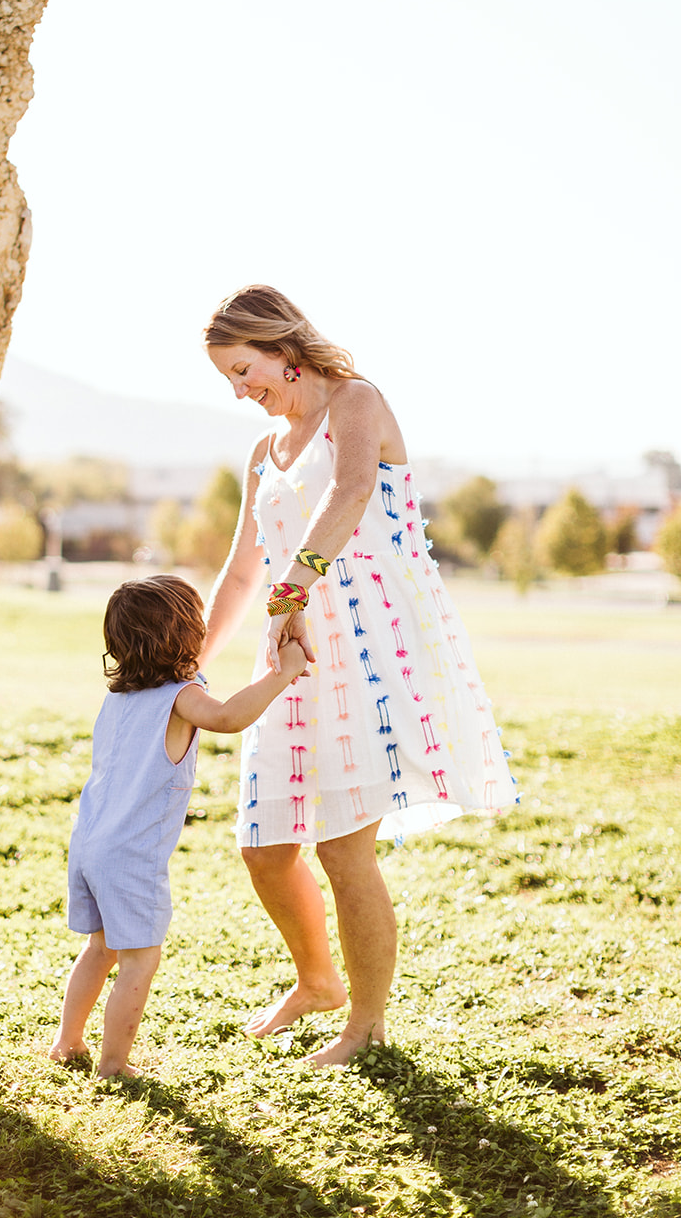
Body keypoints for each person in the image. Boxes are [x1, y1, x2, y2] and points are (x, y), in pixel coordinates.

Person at [201, 284, 518, 1068]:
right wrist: (188, 664)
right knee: (265, 846)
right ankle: (318, 983)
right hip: (290, 649)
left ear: (283, 347)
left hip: (374, 648)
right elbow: (243, 571)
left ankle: (365, 1027)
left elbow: (348, 493)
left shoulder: (355, 400)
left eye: (246, 370)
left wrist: (293, 586)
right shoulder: (262, 451)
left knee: (344, 851)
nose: (242, 392)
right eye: (229, 381)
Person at [49, 573, 307, 1078]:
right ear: (185, 636)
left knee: (100, 947)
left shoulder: (119, 699)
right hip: (130, 856)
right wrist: (283, 674)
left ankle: (68, 1041)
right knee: (139, 961)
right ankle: (113, 1064)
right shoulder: (181, 696)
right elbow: (231, 716)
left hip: (91, 843)